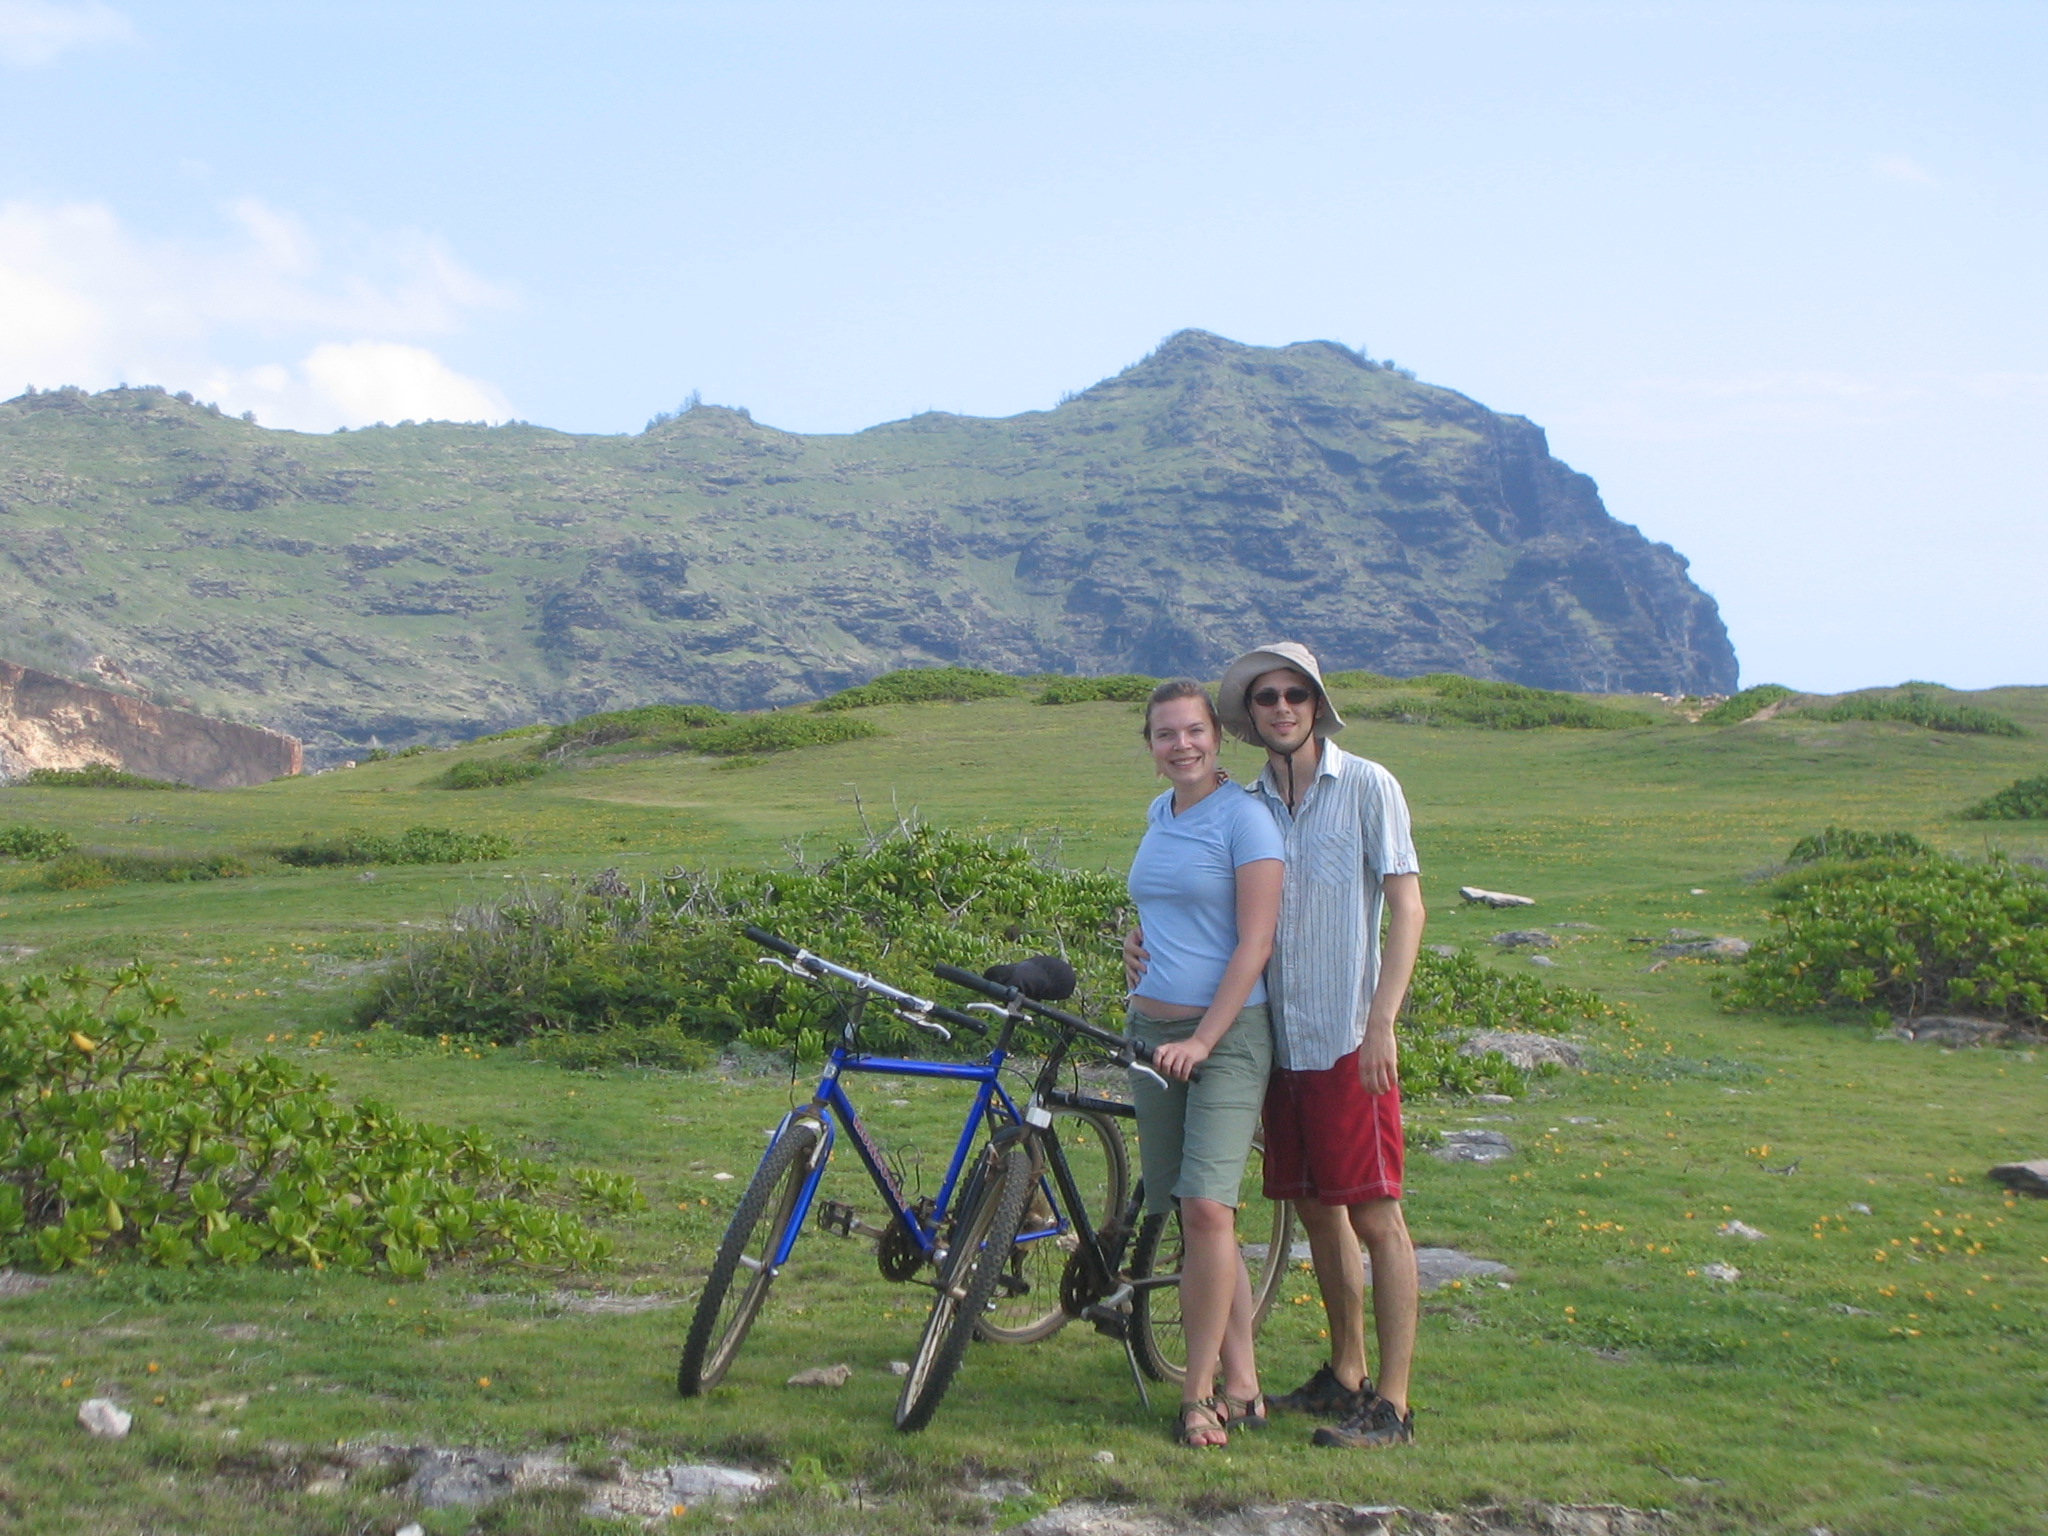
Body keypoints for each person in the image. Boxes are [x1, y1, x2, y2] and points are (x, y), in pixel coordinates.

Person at [1126, 642, 1425, 1449]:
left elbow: (1408, 908)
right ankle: (1346, 1372)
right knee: (1314, 1211)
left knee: (1376, 1216)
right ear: (1249, 719)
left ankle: (1392, 1405)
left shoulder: (1367, 786)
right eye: (1266, 698)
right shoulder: (1254, 799)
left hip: (1343, 1036)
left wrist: (1381, 1022)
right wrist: (1142, 942)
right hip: (1280, 1039)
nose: (1282, 708)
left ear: (1317, 704)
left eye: (1296, 694)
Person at [1124, 678, 1286, 1448]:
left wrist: (1203, 1040)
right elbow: (1168, 902)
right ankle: (1246, 1379)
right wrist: (1136, 943)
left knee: (1207, 1208)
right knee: (1194, 1210)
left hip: (1224, 1037)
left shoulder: (1247, 821)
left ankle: (1198, 1396)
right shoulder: (1163, 812)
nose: (1181, 745)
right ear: (1152, 749)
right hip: (1150, 1030)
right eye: (1165, 735)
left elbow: (1255, 943)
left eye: (1193, 731)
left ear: (1216, 736)